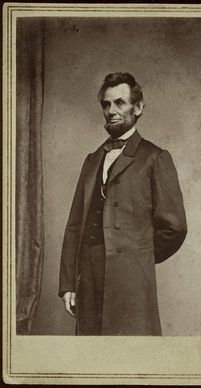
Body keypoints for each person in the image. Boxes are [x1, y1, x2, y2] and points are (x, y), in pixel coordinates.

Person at [58, 72, 187, 335]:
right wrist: (69, 283)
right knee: (92, 359)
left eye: (120, 103)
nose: (111, 111)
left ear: (138, 107)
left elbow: (175, 227)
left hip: (132, 278)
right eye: (106, 104)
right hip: (89, 277)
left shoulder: (155, 157)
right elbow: (74, 225)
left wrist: (137, 256)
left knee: (132, 358)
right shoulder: (92, 159)